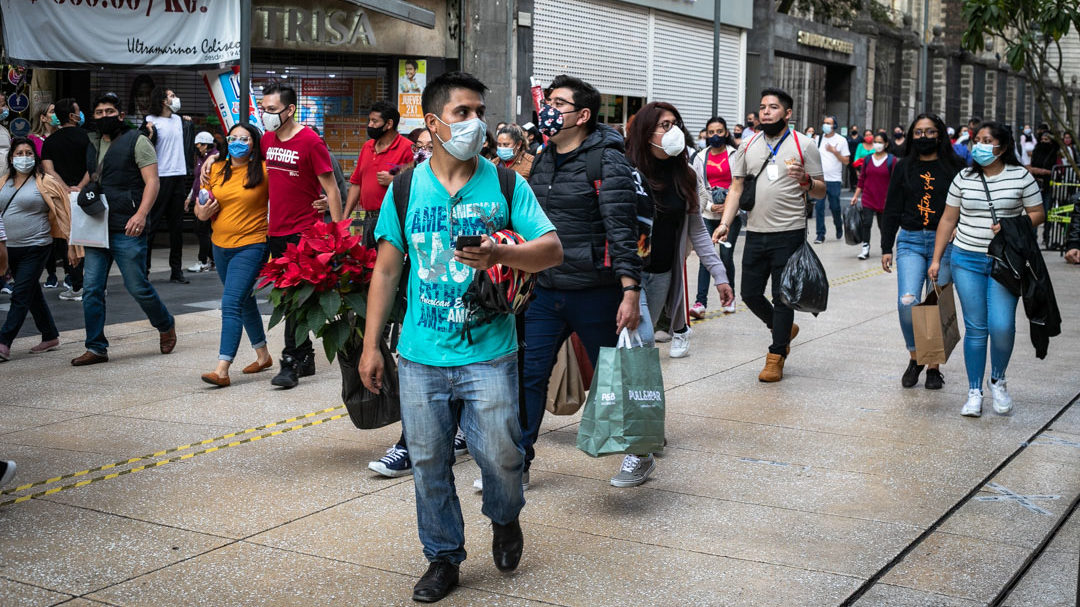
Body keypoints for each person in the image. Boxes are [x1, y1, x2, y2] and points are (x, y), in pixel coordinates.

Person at [358, 71, 562, 603]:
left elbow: (551, 249)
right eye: (463, 113)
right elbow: (385, 272)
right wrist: (370, 345)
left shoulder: (507, 183)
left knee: (500, 457)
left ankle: (504, 517)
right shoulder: (405, 187)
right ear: (433, 122)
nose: (477, 124)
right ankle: (443, 557)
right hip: (420, 355)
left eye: (480, 113)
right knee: (427, 462)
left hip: (490, 352)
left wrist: (500, 254)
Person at [519, 74, 643, 487]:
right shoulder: (543, 155)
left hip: (595, 290)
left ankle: (638, 451)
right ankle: (517, 463)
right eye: (548, 101)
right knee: (529, 374)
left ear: (583, 114)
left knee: (614, 376)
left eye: (559, 103)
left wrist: (630, 291)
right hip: (545, 290)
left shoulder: (606, 159)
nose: (548, 110)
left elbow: (621, 229)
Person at [929, 121, 1045, 417]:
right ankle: (974, 391)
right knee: (977, 328)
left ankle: (999, 380)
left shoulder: (1020, 177)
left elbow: (1038, 213)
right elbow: (947, 220)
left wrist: (1012, 225)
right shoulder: (963, 178)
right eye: (976, 139)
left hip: (1004, 262)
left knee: (1002, 325)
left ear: (1003, 146)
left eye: (987, 140)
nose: (979, 145)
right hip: (966, 259)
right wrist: (937, 258)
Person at [713, 88, 825, 383]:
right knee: (749, 293)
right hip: (755, 231)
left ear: (787, 114)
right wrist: (725, 222)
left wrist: (806, 180)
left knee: (782, 297)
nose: (765, 112)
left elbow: (821, 189)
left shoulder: (805, 145)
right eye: (762, 107)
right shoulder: (747, 145)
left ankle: (776, 355)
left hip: (789, 233)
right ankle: (782, 328)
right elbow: (736, 188)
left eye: (773, 107)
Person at [70, 93, 175, 366]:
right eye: (99, 112)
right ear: (93, 117)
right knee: (91, 289)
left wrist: (141, 215)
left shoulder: (137, 141)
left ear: (120, 115)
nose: (104, 116)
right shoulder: (92, 142)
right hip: (97, 226)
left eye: (109, 111)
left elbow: (152, 182)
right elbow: (94, 174)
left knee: (137, 286)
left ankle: (164, 323)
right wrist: (78, 189)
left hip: (127, 225)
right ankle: (96, 347)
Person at [627, 102, 733, 361]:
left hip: (662, 273)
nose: (673, 130)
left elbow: (696, 229)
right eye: (665, 125)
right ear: (646, 131)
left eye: (675, 125)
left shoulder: (685, 174)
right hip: (630, 273)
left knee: (640, 338)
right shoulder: (626, 171)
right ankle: (633, 398)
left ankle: (629, 397)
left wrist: (720, 275)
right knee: (642, 340)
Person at [257, 83, 343, 388]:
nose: (265, 115)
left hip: (304, 232)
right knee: (290, 297)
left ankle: (290, 362)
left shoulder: (310, 141)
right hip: (275, 231)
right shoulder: (266, 139)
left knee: (292, 300)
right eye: (263, 108)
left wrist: (336, 233)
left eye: (270, 110)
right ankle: (305, 355)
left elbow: (332, 190)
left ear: (290, 109)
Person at [881, 113, 965, 390]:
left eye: (929, 132)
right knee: (907, 302)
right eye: (918, 132)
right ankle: (915, 356)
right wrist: (886, 247)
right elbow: (891, 208)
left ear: (940, 135)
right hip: (910, 242)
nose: (923, 137)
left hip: (946, 245)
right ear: (911, 135)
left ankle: (933, 367)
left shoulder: (955, 166)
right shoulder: (903, 166)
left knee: (936, 306)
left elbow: (964, 206)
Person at [196, 124, 272, 387]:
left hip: (252, 245)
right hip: (220, 245)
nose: (238, 142)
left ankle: (222, 368)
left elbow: (289, 193)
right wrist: (203, 213)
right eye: (234, 138)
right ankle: (263, 355)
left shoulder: (264, 170)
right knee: (244, 299)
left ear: (254, 144)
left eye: (245, 139)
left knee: (230, 303)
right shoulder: (214, 169)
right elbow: (200, 207)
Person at [0, 138, 74, 361]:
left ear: (35, 157)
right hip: (8, 248)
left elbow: (65, 212)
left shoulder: (46, 181)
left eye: (28, 153)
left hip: (37, 246)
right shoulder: (3, 181)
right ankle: (50, 335)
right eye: (19, 153)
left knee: (20, 294)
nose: (24, 157)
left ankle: (4, 342)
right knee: (31, 293)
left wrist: (72, 245)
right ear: (12, 158)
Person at [343, 101, 414, 247]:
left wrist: (395, 181)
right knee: (368, 265)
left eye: (375, 121)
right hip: (369, 219)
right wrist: (344, 219)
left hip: (393, 219)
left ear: (389, 124)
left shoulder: (407, 148)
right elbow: (356, 184)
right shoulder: (367, 147)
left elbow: (418, 184)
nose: (370, 125)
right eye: (369, 120)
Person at [142, 86, 194, 284]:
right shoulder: (150, 121)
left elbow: (188, 142)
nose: (176, 98)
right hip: (159, 177)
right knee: (152, 225)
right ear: (163, 101)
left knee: (177, 227)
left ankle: (176, 271)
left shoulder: (181, 121)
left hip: (178, 176)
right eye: (172, 96)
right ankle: (144, 271)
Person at [40, 97, 89, 301]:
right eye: (78, 111)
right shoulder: (86, 137)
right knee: (87, 240)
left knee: (66, 239)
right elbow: (93, 167)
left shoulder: (50, 141)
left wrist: (64, 189)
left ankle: (75, 285)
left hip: (60, 199)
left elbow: (48, 171)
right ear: (72, 116)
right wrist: (80, 187)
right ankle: (90, 284)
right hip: (85, 196)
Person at [691, 116, 739, 317]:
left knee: (726, 257)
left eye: (719, 131)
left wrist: (727, 207)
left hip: (731, 215)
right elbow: (697, 186)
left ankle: (730, 297)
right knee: (706, 257)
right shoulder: (700, 157)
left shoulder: (735, 155)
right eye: (711, 132)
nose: (715, 136)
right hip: (707, 213)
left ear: (726, 133)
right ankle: (700, 302)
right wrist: (710, 205)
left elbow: (739, 184)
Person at [850, 131, 895, 260]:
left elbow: (895, 182)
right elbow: (862, 179)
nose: (877, 144)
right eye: (876, 142)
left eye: (880, 142)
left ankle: (885, 248)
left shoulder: (892, 160)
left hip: (884, 199)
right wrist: (856, 196)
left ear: (886, 144)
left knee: (883, 225)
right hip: (868, 196)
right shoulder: (868, 159)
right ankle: (865, 248)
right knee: (867, 222)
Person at [811, 115, 849, 244]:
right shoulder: (818, 139)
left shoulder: (841, 140)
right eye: (824, 123)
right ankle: (820, 234)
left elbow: (846, 161)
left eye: (829, 123)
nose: (826, 125)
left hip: (834, 180)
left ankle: (839, 226)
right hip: (820, 179)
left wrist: (835, 152)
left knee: (835, 207)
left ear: (835, 126)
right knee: (819, 207)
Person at [186, 131, 218, 274]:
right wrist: (189, 197)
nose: (198, 148)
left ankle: (203, 261)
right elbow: (197, 180)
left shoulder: (214, 158)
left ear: (207, 144)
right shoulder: (201, 158)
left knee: (203, 230)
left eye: (200, 145)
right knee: (199, 230)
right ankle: (213, 259)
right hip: (199, 198)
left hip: (208, 200)